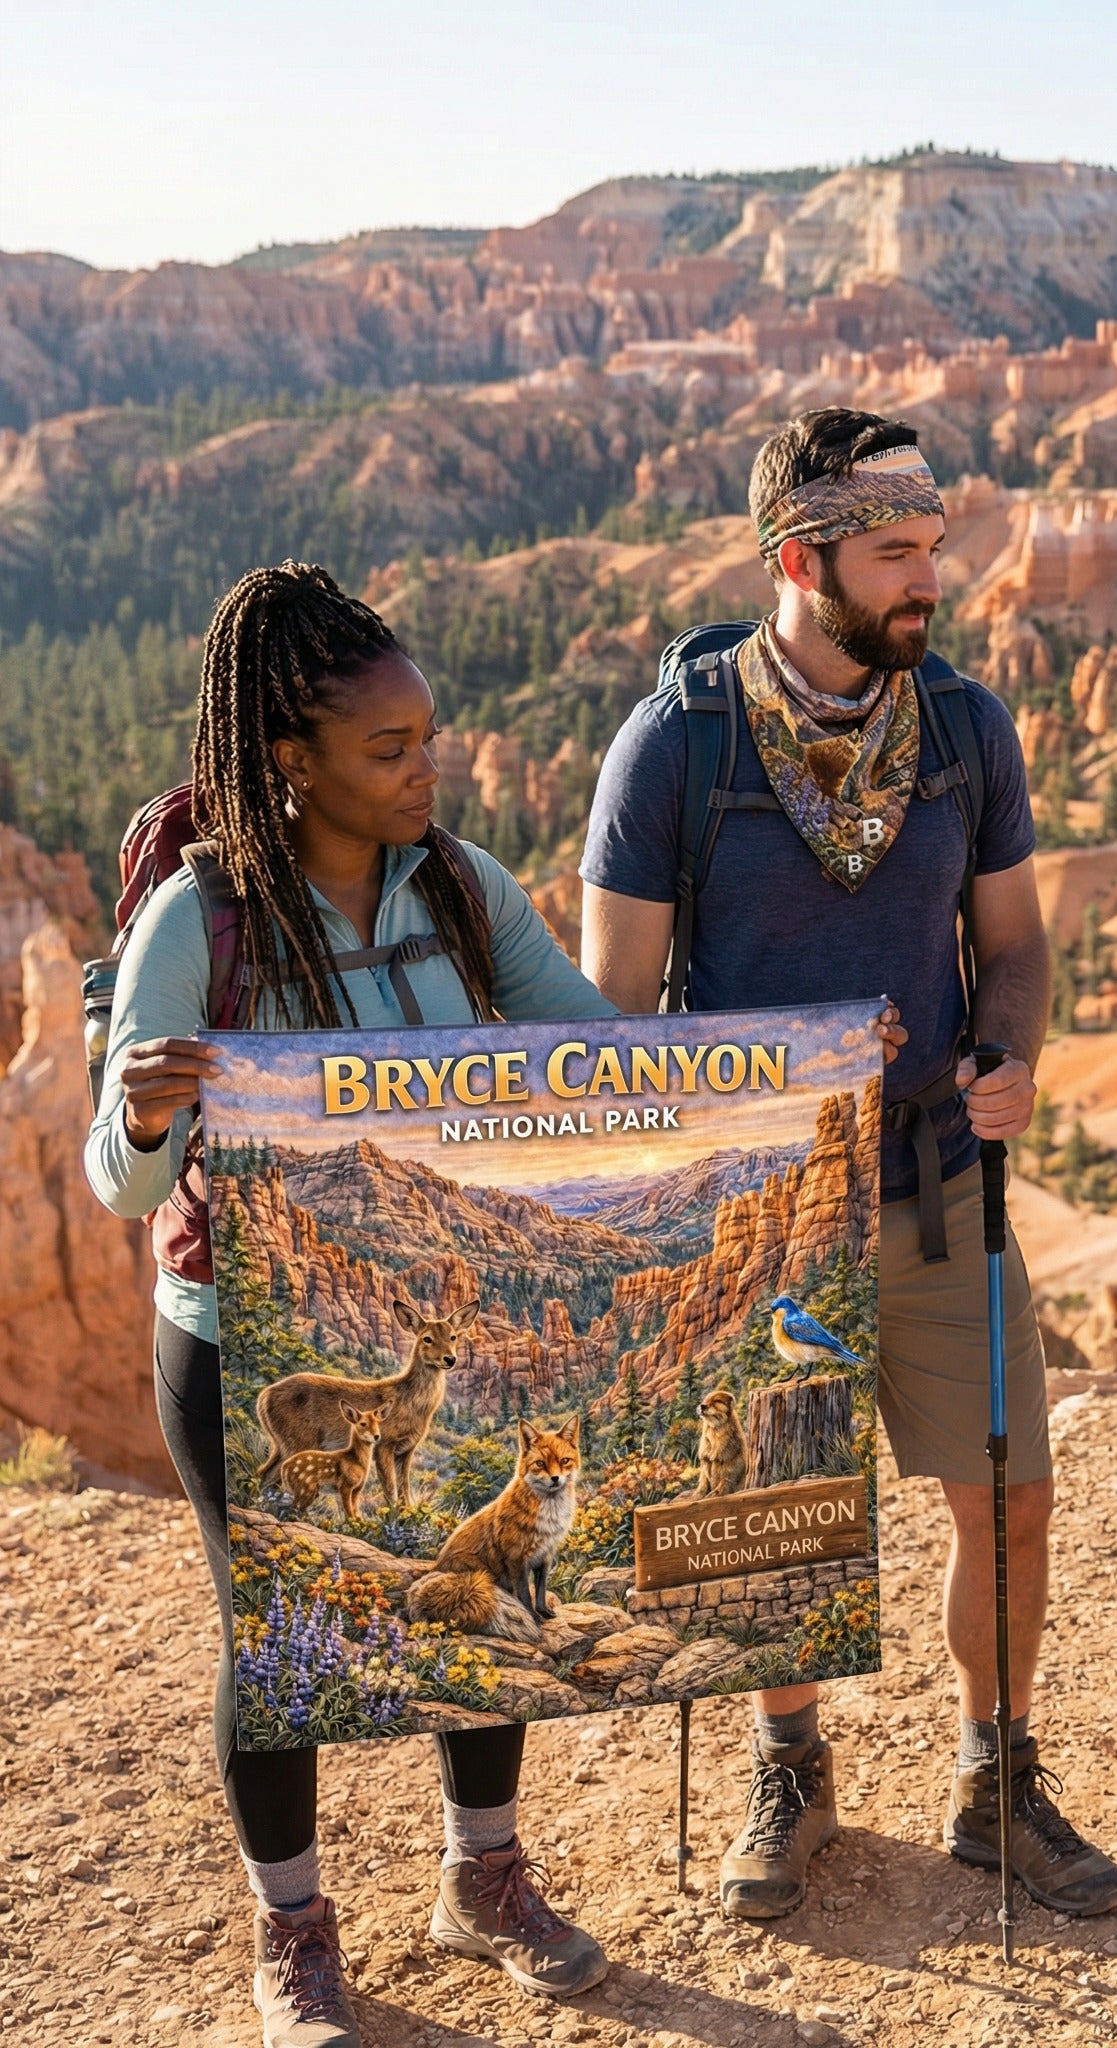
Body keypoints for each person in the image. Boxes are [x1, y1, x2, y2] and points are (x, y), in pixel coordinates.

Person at [578, 407, 1117, 1920]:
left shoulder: (964, 731)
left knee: (1008, 1499)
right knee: (777, 1520)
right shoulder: (674, 748)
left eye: (930, 551)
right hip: (760, 1216)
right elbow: (615, 1013)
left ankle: (993, 1774)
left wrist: (1007, 1056)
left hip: (944, 1190)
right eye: (895, 555)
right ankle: (792, 1763)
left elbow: (1010, 948)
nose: (926, 583)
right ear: (796, 558)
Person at [84, 564, 613, 2048]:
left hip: (417, 1337)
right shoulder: (203, 924)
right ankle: (295, 1930)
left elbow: (604, 1047)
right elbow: (120, 1192)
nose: (425, 766)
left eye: (431, 736)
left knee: (479, 1568)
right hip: (239, 1336)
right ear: (288, 761)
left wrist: (791, 1066)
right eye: (391, 749)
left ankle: (482, 1878)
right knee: (284, 1642)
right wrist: (137, 1113)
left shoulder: (460, 886)